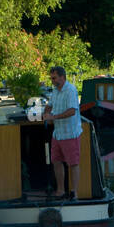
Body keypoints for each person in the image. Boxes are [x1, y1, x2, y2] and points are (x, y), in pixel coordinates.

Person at [43, 66, 82, 199]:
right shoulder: (55, 91)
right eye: (51, 78)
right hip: (58, 134)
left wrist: (53, 117)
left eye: (54, 78)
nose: (52, 81)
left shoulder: (71, 90)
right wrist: (46, 111)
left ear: (62, 77)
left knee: (73, 163)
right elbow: (50, 104)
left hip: (70, 133)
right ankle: (60, 191)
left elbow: (72, 111)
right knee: (57, 161)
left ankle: (74, 192)